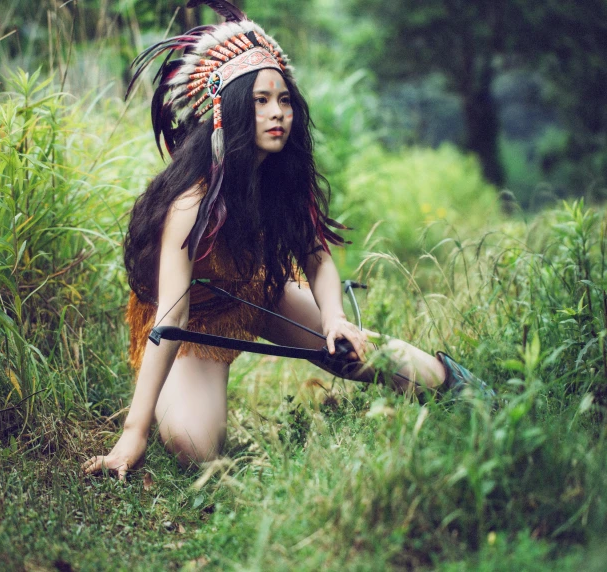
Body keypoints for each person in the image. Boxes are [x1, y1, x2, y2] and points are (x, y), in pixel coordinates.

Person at [83, 0, 492, 480]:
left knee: (352, 352)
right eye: (260, 101)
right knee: (194, 447)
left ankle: (466, 391)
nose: (277, 113)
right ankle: (181, 402)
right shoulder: (190, 203)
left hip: (256, 291)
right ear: (230, 112)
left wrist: (337, 320)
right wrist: (133, 434)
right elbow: (172, 317)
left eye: (283, 100)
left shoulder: (280, 177)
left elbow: (316, 258)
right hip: (194, 324)